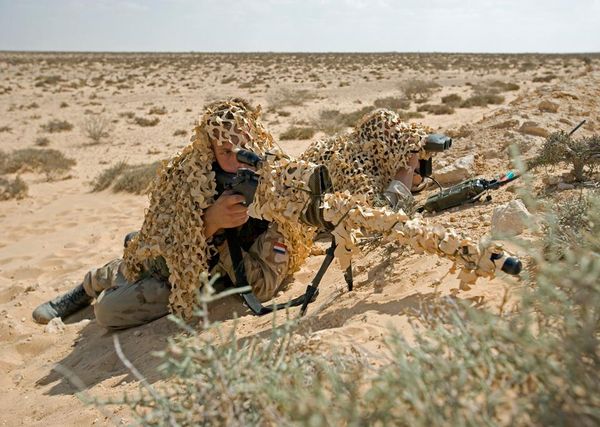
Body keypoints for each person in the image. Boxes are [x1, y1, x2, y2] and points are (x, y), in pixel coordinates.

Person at [32, 99, 298, 329]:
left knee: (107, 310)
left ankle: (102, 284)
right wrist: (208, 224)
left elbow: (263, 287)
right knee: (140, 249)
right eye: (225, 151)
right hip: (180, 261)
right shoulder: (190, 177)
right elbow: (163, 242)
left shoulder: (274, 188)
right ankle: (86, 287)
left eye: (244, 148)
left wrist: (222, 240)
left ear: (258, 139)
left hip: (212, 276)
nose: (237, 158)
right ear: (211, 152)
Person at [299, 108, 438, 211]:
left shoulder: (375, 155)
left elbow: (416, 184)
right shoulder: (359, 166)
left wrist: (417, 164)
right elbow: (383, 212)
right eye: (392, 139)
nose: (397, 144)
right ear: (376, 140)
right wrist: (407, 169)